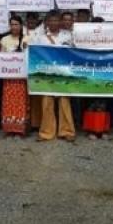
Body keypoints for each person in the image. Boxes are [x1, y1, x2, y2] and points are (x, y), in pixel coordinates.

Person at [32, 10, 76, 142]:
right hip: (47, 75)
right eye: (51, 20)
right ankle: (46, 132)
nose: (54, 23)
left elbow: (74, 52)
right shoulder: (40, 38)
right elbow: (34, 54)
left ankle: (67, 131)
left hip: (64, 74)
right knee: (47, 102)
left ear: (60, 22)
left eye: (56, 20)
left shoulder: (68, 36)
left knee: (64, 102)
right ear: (46, 22)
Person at [0, 16, 29, 137]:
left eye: (16, 24)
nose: (14, 27)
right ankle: (9, 129)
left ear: (21, 26)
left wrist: (26, 48)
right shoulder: (4, 40)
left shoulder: (27, 39)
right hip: (9, 76)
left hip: (21, 78)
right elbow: (0, 57)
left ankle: (20, 129)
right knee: (8, 102)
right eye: (12, 24)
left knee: (21, 103)